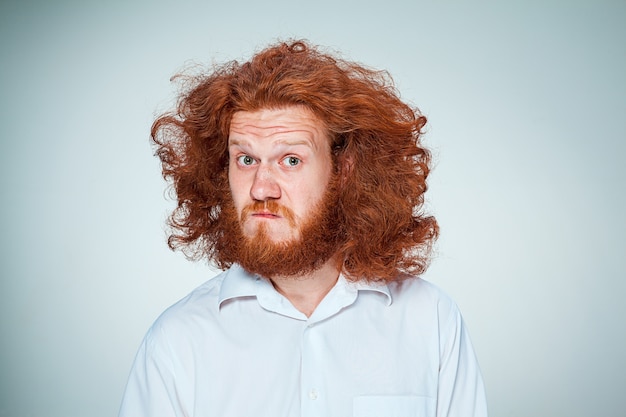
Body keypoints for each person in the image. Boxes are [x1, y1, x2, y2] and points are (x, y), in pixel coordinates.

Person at [119, 40, 488, 417]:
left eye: (291, 160)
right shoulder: (178, 341)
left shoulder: (431, 321)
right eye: (245, 159)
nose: (262, 187)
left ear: (343, 172)